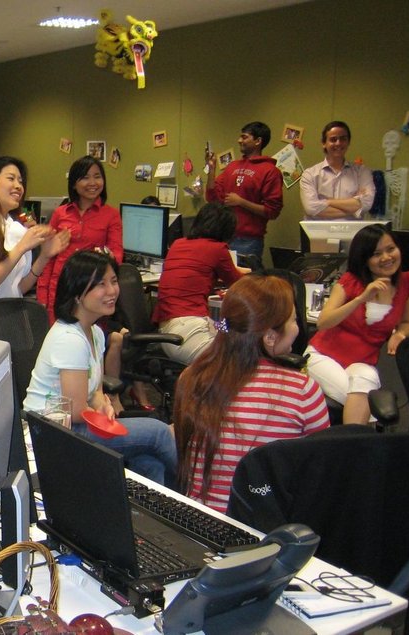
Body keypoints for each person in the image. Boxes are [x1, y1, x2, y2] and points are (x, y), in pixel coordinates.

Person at [174, 275, 330, 512]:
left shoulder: (191, 377)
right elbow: (321, 472)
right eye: (294, 321)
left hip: (199, 522)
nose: (297, 329)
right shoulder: (302, 390)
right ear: (269, 336)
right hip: (261, 531)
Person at [23, 251, 177, 485]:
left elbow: (93, 389)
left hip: (74, 423)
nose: (112, 291)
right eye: (101, 284)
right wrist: (97, 409)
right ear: (77, 293)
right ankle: (201, 495)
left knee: (150, 463)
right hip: (52, 432)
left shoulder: (94, 332)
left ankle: (158, 516)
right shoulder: (70, 338)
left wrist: (101, 403)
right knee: (159, 432)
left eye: (113, 281)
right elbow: (74, 411)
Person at [306, 224, 409, 424]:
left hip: (363, 361)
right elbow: (323, 322)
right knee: (371, 407)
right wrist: (360, 298)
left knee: (365, 380)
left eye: (390, 249)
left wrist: (400, 334)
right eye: (376, 254)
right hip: (323, 355)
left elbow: (408, 321)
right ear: (365, 260)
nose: (386, 257)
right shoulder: (350, 281)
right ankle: (361, 443)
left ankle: (353, 447)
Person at [0, 156, 68, 315]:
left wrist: (45, 256)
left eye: (20, 181)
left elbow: (19, 287)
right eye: (11, 178)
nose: (18, 186)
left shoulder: (13, 226)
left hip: (10, 319)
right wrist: (22, 247)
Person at [151, 202, 249, 364]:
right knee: (235, 360)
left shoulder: (178, 244)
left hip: (169, 329)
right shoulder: (218, 249)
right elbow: (239, 284)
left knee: (227, 331)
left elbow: (194, 273)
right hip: (190, 329)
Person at [36, 155, 122, 324]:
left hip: (91, 291)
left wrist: (104, 256)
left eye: (97, 177)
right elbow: (49, 258)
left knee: (91, 342)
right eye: (85, 177)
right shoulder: (61, 213)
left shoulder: (111, 215)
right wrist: (43, 296)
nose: (93, 183)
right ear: (74, 184)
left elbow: (116, 255)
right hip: (60, 288)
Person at [205, 121, 283, 259]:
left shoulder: (270, 171)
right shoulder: (232, 166)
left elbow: (272, 211)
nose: (239, 140)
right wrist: (211, 169)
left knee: (244, 280)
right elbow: (212, 197)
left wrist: (241, 202)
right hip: (223, 237)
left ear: (258, 141)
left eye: (244, 137)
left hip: (248, 242)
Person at [300, 121, 375, 220]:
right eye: (333, 139)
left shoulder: (362, 172)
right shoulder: (309, 174)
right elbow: (311, 209)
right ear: (324, 143)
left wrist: (328, 201)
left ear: (348, 142)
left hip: (353, 234)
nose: (338, 143)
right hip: (318, 234)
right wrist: (354, 208)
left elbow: (367, 203)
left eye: (343, 139)